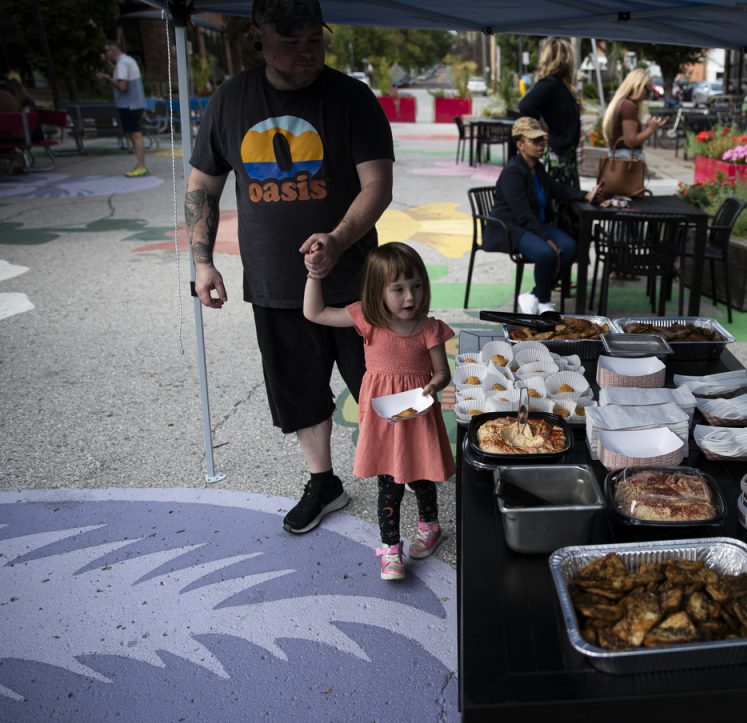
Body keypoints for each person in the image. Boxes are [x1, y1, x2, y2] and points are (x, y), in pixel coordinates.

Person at [186, 0, 394, 535]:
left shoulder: (352, 98)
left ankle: (399, 478)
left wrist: (339, 238)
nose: (307, 53)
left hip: (356, 282)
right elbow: (202, 187)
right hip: (277, 283)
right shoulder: (231, 100)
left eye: (314, 41)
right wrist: (202, 262)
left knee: (383, 384)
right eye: (291, 42)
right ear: (258, 36)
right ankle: (323, 482)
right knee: (298, 391)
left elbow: (378, 184)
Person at [303, 242, 454, 577]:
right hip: (385, 419)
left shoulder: (429, 329)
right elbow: (315, 313)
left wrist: (435, 384)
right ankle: (390, 549)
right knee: (389, 483)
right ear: (377, 291)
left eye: (416, 286)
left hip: (417, 414)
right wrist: (314, 274)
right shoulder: (367, 320)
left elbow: (443, 372)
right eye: (398, 289)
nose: (410, 297)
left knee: (422, 473)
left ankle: (430, 526)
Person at [488, 117, 601, 315]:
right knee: (546, 253)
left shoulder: (536, 168)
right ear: (520, 144)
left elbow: (557, 189)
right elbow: (521, 213)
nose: (541, 145)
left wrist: (586, 194)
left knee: (570, 247)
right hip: (512, 227)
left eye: (542, 140)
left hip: (533, 223)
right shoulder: (513, 172)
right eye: (534, 141)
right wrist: (545, 238)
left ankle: (536, 296)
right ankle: (543, 300)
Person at [517, 38, 582, 188]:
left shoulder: (560, 86)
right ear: (566, 60)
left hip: (564, 158)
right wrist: (541, 127)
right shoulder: (551, 84)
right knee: (555, 204)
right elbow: (525, 106)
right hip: (556, 158)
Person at [97, 41, 148, 177]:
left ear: (113, 51)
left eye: (107, 51)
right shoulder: (126, 61)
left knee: (135, 134)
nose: (105, 54)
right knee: (134, 134)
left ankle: (141, 165)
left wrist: (107, 78)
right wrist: (107, 65)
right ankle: (140, 164)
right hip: (134, 104)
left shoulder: (122, 64)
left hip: (129, 105)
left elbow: (122, 86)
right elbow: (117, 72)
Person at [600, 68, 665, 160]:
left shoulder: (620, 103)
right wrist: (651, 129)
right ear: (639, 86)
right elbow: (630, 141)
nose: (647, 95)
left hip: (619, 158)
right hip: (627, 160)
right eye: (647, 90)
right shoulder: (628, 106)